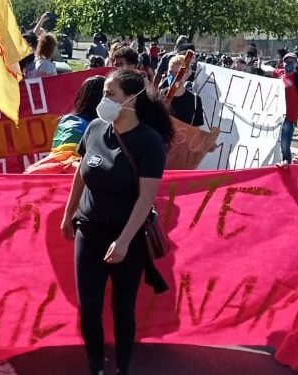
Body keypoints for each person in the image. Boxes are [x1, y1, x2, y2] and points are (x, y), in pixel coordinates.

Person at [60, 70, 173, 375]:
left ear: (132, 100)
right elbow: (80, 173)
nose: (103, 100)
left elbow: (145, 198)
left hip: (128, 238)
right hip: (89, 230)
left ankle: (123, 368)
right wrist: (68, 213)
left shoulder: (149, 142)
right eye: (104, 94)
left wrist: (123, 241)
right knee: (89, 309)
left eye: (111, 94)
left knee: (123, 309)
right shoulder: (95, 128)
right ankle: (96, 366)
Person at [280, 52, 298, 165]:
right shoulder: (279, 76)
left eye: (292, 61)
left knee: (284, 145)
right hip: (276, 117)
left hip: (289, 118)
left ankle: (287, 165)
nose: (289, 63)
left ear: (296, 64)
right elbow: (267, 71)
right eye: (287, 61)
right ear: (283, 63)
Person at [160, 55, 204, 126]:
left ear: (186, 75)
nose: (173, 77)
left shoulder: (195, 100)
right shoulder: (159, 96)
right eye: (170, 72)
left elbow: (196, 131)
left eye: (177, 73)